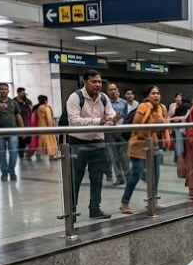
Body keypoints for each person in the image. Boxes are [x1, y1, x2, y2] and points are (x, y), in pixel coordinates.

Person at [66, 69, 119, 219]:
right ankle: (71, 211)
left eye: (100, 82)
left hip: (97, 143)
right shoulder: (75, 98)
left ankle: (95, 208)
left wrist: (113, 120)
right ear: (85, 82)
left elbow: (111, 114)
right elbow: (74, 121)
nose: (97, 85)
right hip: (77, 143)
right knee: (75, 179)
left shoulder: (103, 97)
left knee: (97, 178)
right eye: (94, 81)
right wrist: (99, 121)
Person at [119, 86, 165, 214]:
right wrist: (151, 118)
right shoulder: (143, 107)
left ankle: (153, 200)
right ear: (148, 96)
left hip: (153, 144)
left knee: (155, 174)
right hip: (138, 143)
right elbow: (136, 125)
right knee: (137, 173)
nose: (156, 96)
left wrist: (161, 122)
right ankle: (124, 203)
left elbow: (162, 127)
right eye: (153, 93)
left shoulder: (161, 108)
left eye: (158, 93)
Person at [0, 82, 23, 182]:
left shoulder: (13, 102)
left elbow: (18, 116)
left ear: (8, 90)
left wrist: (23, 129)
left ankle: (12, 172)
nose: (3, 90)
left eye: (5, 89)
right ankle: (4, 173)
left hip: (12, 131)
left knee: (13, 152)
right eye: (2, 89)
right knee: (1, 153)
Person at [106, 83, 130, 185]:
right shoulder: (105, 103)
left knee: (124, 156)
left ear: (118, 90)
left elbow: (127, 117)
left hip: (122, 133)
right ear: (107, 92)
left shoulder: (124, 103)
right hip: (109, 133)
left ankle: (128, 176)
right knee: (113, 156)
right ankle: (119, 177)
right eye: (110, 90)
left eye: (114, 89)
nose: (113, 91)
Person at [32, 95, 58, 160]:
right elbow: (49, 120)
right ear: (46, 100)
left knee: (41, 144)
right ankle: (52, 156)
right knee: (50, 143)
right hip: (47, 129)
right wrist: (51, 127)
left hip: (40, 129)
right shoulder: (46, 108)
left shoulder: (38, 108)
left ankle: (39, 157)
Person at [14, 87, 32, 160]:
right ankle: (21, 155)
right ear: (18, 93)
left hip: (27, 123)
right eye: (22, 92)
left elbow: (31, 110)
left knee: (29, 139)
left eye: (24, 92)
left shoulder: (27, 101)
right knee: (20, 140)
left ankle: (28, 154)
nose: (23, 94)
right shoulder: (14, 101)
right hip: (17, 124)